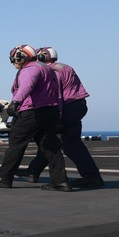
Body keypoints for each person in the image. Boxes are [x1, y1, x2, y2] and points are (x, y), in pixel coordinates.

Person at [0, 45, 71, 191]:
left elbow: (27, 85)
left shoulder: (30, 69)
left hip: (32, 112)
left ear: (20, 57)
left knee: (16, 143)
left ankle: (4, 178)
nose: (13, 62)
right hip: (51, 111)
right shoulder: (48, 69)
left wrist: (16, 102)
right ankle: (61, 181)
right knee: (50, 147)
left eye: (14, 59)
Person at [20, 47, 104, 188]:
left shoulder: (51, 70)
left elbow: (56, 94)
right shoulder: (65, 67)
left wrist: (57, 116)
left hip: (66, 106)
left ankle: (91, 176)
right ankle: (33, 171)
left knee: (65, 143)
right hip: (78, 104)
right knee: (55, 141)